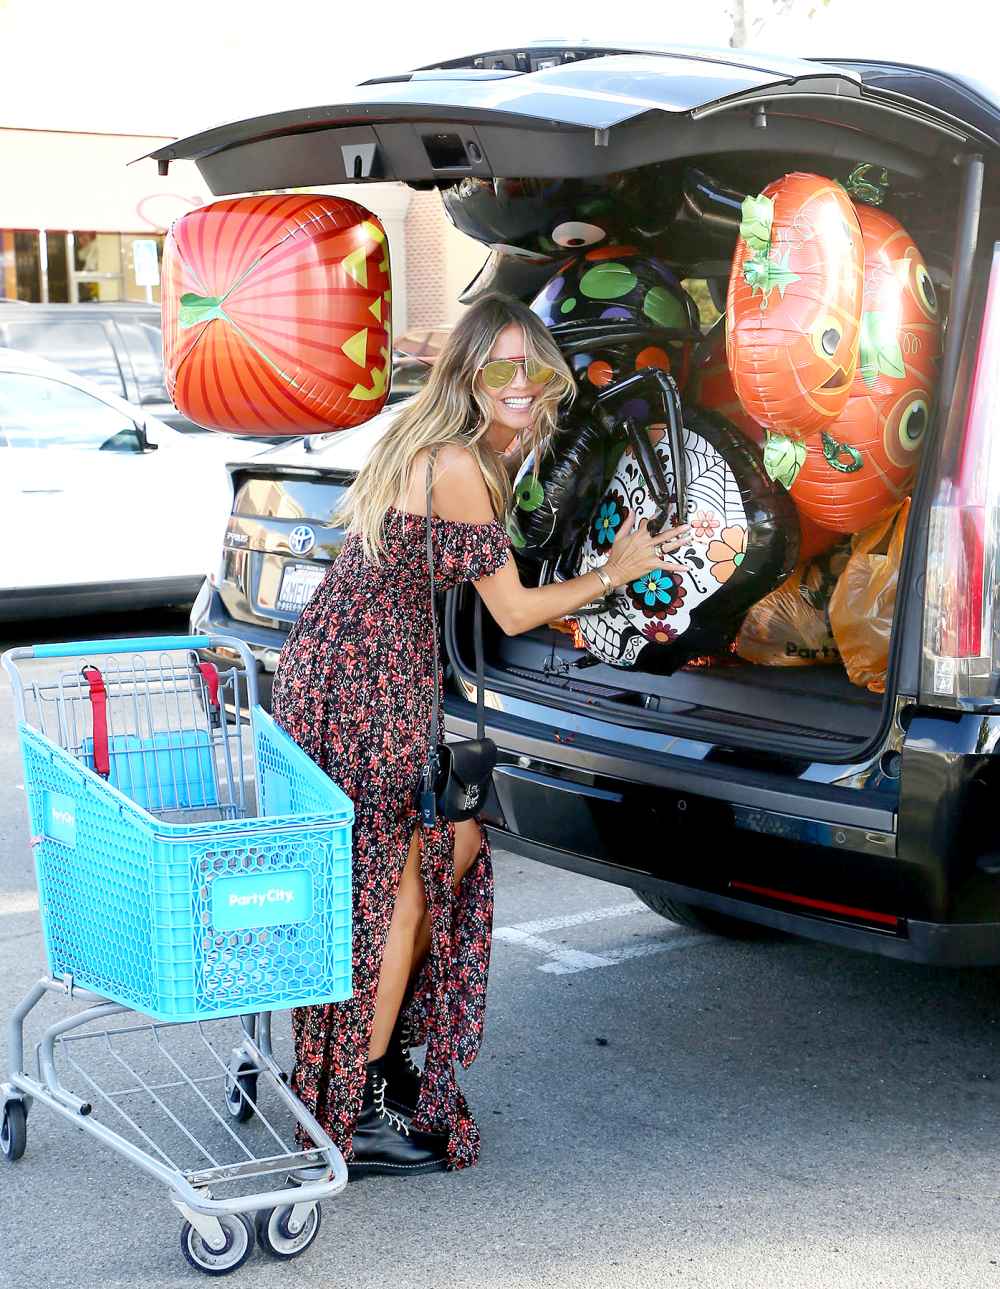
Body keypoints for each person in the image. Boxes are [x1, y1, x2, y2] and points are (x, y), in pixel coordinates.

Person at [270, 292, 690, 1179]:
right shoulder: (456, 463)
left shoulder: (448, 450)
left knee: (447, 847)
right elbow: (512, 606)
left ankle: (369, 1067)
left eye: (535, 367)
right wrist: (614, 573)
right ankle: (355, 1105)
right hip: (364, 684)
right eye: (500, 367)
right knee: (404, 882)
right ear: (468, 374)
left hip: (351, 668)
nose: (523, 384)